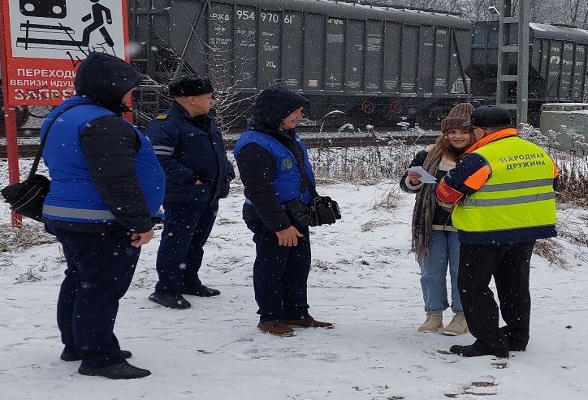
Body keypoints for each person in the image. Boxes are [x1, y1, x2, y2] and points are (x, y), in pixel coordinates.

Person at [41, 52, 165, 379]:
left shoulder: (65, 114)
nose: (130, 94)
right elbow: (117, 180)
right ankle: (99, 356)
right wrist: (141, 222)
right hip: (99, 220)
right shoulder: (102, 123)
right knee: (101, 288)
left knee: (80, 279)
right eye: (127, 87)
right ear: (109, 87)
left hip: (70, 214)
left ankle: (78, 343)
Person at [436, 105, 558, 358]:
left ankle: (489, 342)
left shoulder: (481, 158)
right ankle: (516, 337)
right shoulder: (538, 153)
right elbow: (552, 182)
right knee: (514, 284)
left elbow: (447, 192)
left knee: (473, 286)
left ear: (480, 131)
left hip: (486, 231)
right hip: (527, 229)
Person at [233, 86, 333, 337]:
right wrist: (279, 225)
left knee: (298, 265)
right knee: (272, 267)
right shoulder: (254, 144)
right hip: (272, 217)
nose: (299, 116)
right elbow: (259, 191)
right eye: (295, 112)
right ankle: (269, 317)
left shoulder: (287, 135)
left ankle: (295, 313)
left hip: (296, 214)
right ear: (278, 113)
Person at [146, 76, 235, 309]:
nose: (212, 101)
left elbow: (217, 151)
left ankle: (188, 281)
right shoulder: (165, 124)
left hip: (209, 194)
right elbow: (160, 159)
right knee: (177, 242)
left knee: (196, 242)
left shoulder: (206, 121)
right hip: (183, 196)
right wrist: (190, 179)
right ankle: (166, 289)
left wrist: (227, 171)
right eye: (208, 97)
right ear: (192, 99)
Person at [400, 103, 474, 335]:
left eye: (463, 131)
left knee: (462, 273)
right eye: (452, 132)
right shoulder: (428, 155)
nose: (457, 136)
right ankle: (434, 314)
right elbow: (407, 185)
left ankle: (462, 316)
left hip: (465, 225)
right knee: (431, 272)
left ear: (474, 133)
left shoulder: (481, 157)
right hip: (430, 223)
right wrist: (413, 180)